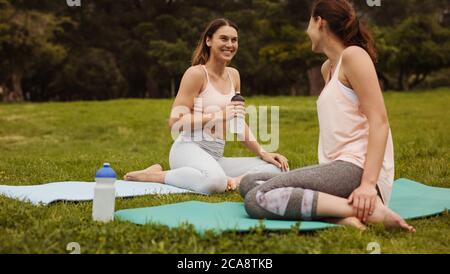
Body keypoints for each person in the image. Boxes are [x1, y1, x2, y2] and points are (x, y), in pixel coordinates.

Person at [240, 0, 415, 232]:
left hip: (357, 168)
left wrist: (368, 185)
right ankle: (339, 216)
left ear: (319, 22)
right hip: (336, 169)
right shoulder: (327, 68)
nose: (306, 31)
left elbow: (379, 122)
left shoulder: (353, 56)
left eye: (308, 23)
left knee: (258, 197)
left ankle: (370, 210)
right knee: (249, 182)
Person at [124, 18, 289, 194]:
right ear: (208, 41)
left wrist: (263, 152)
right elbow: (175, 122)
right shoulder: (196, 74)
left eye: (234, 40)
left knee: (278, 168)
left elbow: (237, 123)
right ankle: (154, 175)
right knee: (214, 182)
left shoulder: (234, 75)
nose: (230, 44)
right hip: (188, 150)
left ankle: (231, 181)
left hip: (215, 157)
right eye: (224, 39)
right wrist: (218, 115)